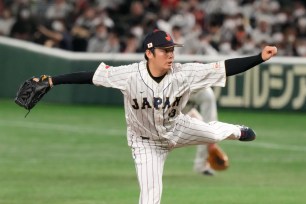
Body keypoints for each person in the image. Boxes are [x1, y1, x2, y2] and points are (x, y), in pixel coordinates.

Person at [33, 30, 277, 204]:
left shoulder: (184, 73)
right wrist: (53, 81)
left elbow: (225, 67)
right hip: (145, 142)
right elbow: (90, 76)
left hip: (178, 127)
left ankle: (236, 130)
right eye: (165, 51)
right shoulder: (128, 75)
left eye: (172, 50)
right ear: (149, 53)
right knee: (150, 198)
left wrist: (259, 57)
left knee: (214, 133)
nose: (171, 55)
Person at [183, 87, 226, 176]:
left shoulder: (202, 88)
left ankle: (201, 165)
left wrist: (212, 143)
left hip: (185, 115)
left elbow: (209, 120)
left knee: (208, 95)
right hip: (162, 116)